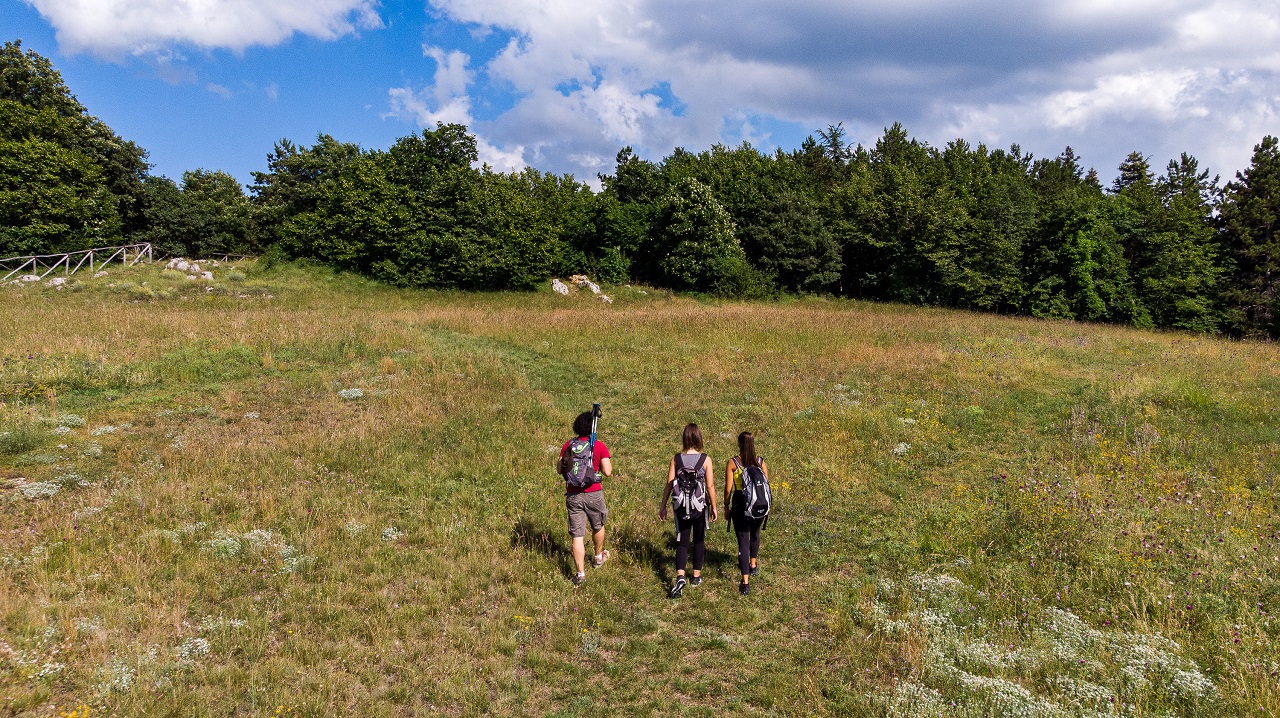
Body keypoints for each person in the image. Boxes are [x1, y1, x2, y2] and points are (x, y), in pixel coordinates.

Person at [658, 423, 717, 598]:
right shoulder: (705, 460)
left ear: (684, 438)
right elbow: (710, 485)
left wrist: (662, 507)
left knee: (682, 540)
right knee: (699, 539)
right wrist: (714, 506)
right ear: (699, 438)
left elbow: (669, 484)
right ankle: (696, 576)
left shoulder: (676, 459)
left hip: (681, 506)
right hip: (699, 506)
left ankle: (680, 575)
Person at [559, 411, 613, 586]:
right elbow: (608, 471)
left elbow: (560, 468)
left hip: (573, 494)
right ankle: (598, 557)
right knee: (598, 525)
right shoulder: (598, 445)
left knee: (577, 535)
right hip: (594, 493)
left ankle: (580, 574)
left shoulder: (569, 445)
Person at [725, 431, 768, 595]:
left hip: (740, 505)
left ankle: (745, 583)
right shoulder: (761, 462)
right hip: (758, 506)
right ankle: (753, 565)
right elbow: (766, 486)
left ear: (739, 444)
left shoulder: (734, 463)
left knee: (743, 542)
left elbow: (728, 489)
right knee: (755, 534)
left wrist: (726, 506)